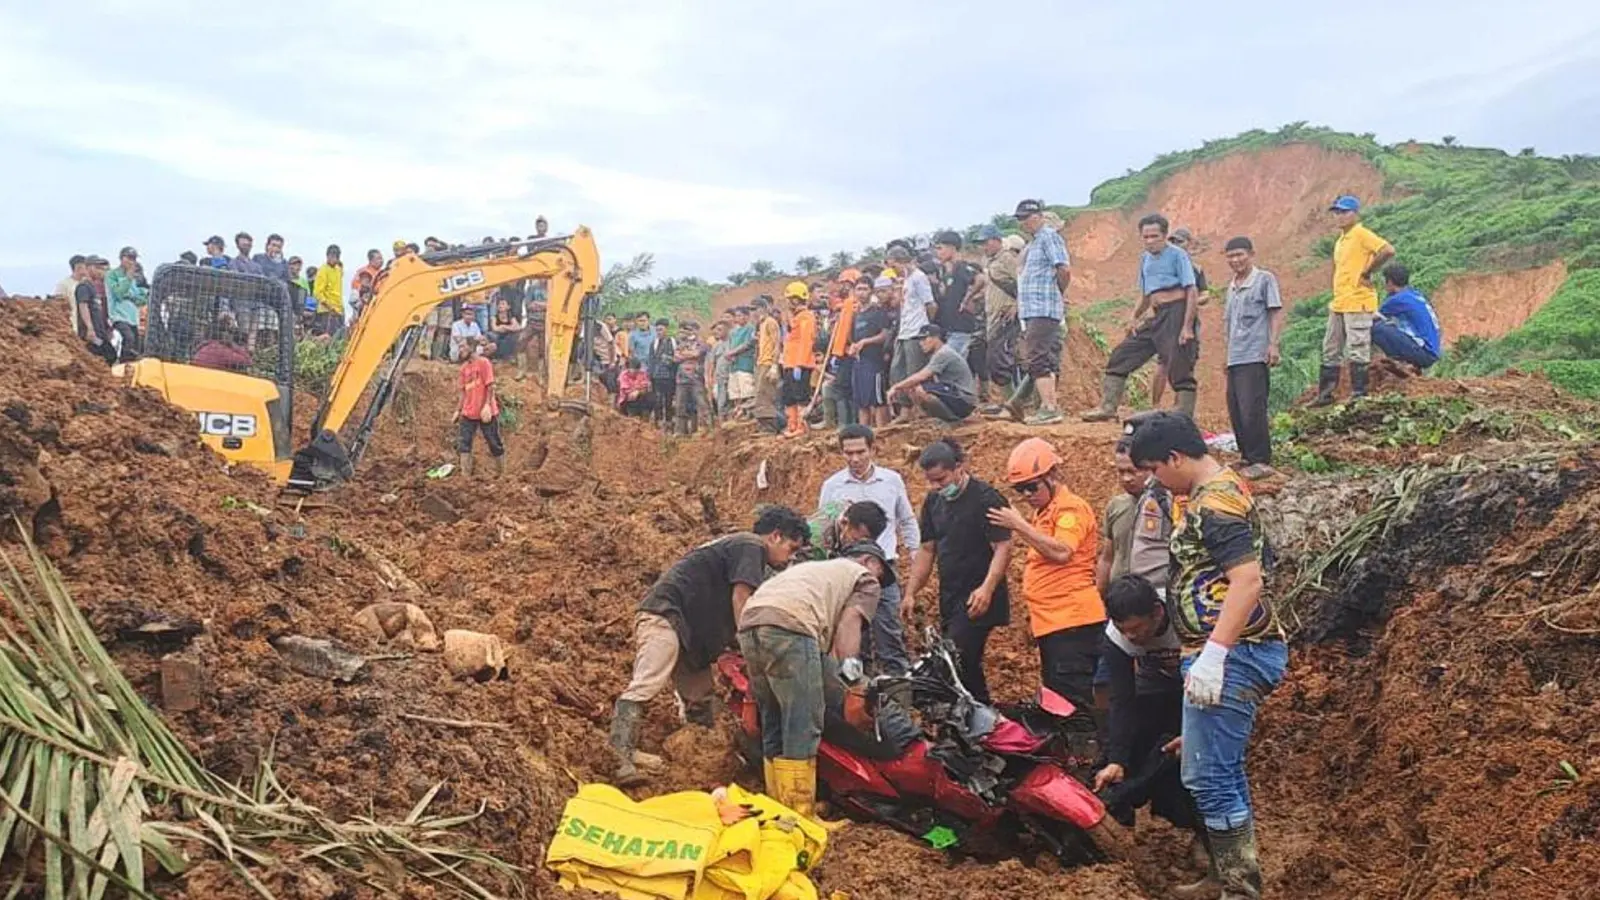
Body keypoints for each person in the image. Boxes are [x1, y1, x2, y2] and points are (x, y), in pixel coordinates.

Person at [1126, 411, 1287, 900]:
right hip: (1224, 651)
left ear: (1175, 457)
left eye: (1155, 468)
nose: (1154, 479)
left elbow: (1248, 579)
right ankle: (1232, 877)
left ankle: (1240, 888)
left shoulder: (1215, 505)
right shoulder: (1210, 493)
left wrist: (1216, 655)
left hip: (1235, 652)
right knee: (1221, 770)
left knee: (1208, 776)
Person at [609, 506, 811, 786]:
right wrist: (751, 645)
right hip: (667, 615)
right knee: (647, 683)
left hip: (689, 631)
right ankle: (619, 755)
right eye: (792, 548)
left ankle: (700, 757)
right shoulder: (751, 546)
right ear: (775, 536)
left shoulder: (738, 548)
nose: (790, 558)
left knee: (700, 697)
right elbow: (742, 598)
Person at [738, 542, 892, 819]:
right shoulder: (865, 578)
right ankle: (800, 816)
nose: (880, 583)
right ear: (869, 562)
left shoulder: (816, 573)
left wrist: (752, 696)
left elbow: (826, 659)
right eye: (882, 572)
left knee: (774, 717)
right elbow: (848, 630)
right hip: (791, 625)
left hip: (751, 622)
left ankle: (779, 808)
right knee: (803, 720)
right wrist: (857, 687)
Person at [987, 438, 1106, 713]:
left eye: (1032, 486)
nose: (1027, 495)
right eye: (1020, 489)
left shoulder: (1070, 509)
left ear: (1053, 475)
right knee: (1059, 700)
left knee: (1075, 704)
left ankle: (1092, 753)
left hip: (1073, 623)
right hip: (1054, 624)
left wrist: (1018, 525)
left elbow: (1062, 552)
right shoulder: (1044, 513)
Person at [903, 438, 1013, 703]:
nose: (937, 487)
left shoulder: (986, 498)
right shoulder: (933, 502)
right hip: (951, 596)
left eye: (941, 480)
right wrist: (910, 592)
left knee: (954, 656)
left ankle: (977, 719)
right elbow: (927, 549)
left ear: (960, 467)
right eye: (931, 481)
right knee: (967, 666)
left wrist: (987, 588)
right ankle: (984, 720)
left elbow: (1003, 547)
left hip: (980, 596)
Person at [1091, 575, 1196, 844]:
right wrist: (1118, 759)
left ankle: (1203, 836)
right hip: (1153, 685)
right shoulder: (1116, 638)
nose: (1131, 637)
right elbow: (1122, 699)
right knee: (1135, 749)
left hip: (1198, 687)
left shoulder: (1189, 616)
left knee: (1189, 763)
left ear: (1157, 612)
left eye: (1137, 628)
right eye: (1122, 628)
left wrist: (1194, 732)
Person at [818, 424, 921, 676]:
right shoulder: (833, 486)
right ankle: (859, 700)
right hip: (847, 574)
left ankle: (898, 693)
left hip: (884, 569)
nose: (854, 459)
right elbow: (823, 529)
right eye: (848, 453)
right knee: (853, 638)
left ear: (873, 449)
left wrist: (916, 555)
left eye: (860, 452)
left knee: (890, 634)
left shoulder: (891, 480)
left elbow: (906, 520)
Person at [1083, 213, 1200, 422]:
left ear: (1164, 236)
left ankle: (1183, 415)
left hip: (1177, 311)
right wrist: (1133, 317)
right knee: (1121, 355)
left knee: (1178, 363)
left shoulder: (1178, 255)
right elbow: (1146, 294)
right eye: (1145, 237)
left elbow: (1191, 290)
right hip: (1157, 314)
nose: (1150, 241)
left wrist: (1187, 326)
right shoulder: (1145, 259)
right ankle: (1108, 407)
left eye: (1154, 236)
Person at [1315, 195, 1395, 406]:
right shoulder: (1341, 240)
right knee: (1330, 347)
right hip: (1340, 301)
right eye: (1337, 213)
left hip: (1358, 300)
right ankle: (1326, 394)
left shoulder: (1360, 234)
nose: (1339, 217)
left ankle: (1359, 393)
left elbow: (1387, 250)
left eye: (1344, 212)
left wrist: (1368, 273)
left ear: (1355, 213)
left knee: (1357, 346)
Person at [1217, 236, 1286, 480]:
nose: (1235, 260)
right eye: (1231, 256)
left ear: (1251, 254)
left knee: (1252, 408)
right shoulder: (1232, 285)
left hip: (1254, 354)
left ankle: (1261, 460)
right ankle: (1246, 456)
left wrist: (1273, 345)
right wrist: (1226, 355)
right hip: (1235, 356)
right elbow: (1230, 325)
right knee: (1235, 408)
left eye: (1240, 255)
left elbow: (1274, 312)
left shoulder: (1264, 279)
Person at [1011, 200, 1072, 425]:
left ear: (1038, 216)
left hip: (1043, 307)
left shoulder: (1048, 237)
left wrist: (1057, 292)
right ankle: (1049, 406)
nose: (1023, 223)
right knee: (1041, 357)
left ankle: (1049, 407)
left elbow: (1064, 268)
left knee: (1035, 357)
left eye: (1026, 218)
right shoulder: (1035, 242)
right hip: (1035, 309)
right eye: (1020, 219)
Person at [975, 227, 1022, 415]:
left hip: (1006, 315)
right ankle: (1008, 401)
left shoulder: (1008, 259)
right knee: (994, 359)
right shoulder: (988, 261)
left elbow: (1022, 283)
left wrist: (1016, 305)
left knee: (1000, 359)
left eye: (986, 242)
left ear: (996, 240)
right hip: (993, 315)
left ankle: (1013, 404)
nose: (984, 247)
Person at [888, 324, 978, 423]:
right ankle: (932, 418)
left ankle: (951, 420)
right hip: (957, 396)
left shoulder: (943, 353)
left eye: (924, 339)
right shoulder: (938, 354)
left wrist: (896, 387)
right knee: (914, 388)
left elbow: (921, 376)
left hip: (964, 398)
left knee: (919, 389)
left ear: (936, 338)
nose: (921, 343)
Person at [886, 247, 936, 423]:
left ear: (902, 261)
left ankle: (922, 411)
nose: (894, 270)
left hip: (916, 331)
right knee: (897, 371)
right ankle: (906, 411)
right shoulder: (906, 280)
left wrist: (927, 327)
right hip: (904, 332)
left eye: (894, 265)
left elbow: (930, 304)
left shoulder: (919, 278)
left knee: (915, 372)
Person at [1095, 439, 1146, 596]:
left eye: (1132, 471)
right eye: (1121, 472)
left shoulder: (1168, 507)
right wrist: (1100, 594)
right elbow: (1107, 557)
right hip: (1119, 598)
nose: (1126, 478)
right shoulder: (1116, 506)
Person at [1372, 263, 1441, 372]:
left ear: (1389, 282)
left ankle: (1399, 362)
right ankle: (1409, 365)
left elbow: (1373, 317)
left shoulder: (1397, 299)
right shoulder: (1414, 294)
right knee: (1389, 326)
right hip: (1431, 351)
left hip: (1424, 352)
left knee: (1376, 328)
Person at [454, 337, 505, 477]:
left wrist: (487, 405)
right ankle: (465, 476)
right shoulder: (464, 369)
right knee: (464, 443)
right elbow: (463, 392)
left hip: (485, 412)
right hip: (468, 413)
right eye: (460, 347)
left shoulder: (484, 363)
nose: (461, 350)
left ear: (471, 347)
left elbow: (490, 386)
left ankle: (501, 475)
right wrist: (458, 410)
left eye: (463, 347)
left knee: (494, 442)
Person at [847, 276, 893, 427]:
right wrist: (852, 346)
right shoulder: (856, 315)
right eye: (858, 289)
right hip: (859, 362)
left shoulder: (878, 312)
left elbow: (884, 335)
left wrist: (866, 342)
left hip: (875, 361)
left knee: (878, 400)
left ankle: (882, 433)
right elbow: (852, 338)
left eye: (865, 289)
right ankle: (863, 433)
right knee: (862, 403)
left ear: (871, 291)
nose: (861, 293)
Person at [931, 231, 981, 360]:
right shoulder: (947, 272)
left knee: (951, 365)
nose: (938, 252)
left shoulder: (962, 267)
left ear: (952, 248)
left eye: (940, 248)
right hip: (948, 328)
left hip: (960, 328)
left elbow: (981, 279)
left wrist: (968, 298)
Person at [780, 282, 817, 436]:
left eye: (789, 299)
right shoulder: (796, 318)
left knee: (800, 396)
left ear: (796, 299)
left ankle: (802, 426)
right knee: (788, 396)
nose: (788, 302)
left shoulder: (806, 317)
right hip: (790, 363)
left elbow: (806, 341)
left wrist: (800, 364)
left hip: (800, 363)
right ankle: (792, 425)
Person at [103, 246, 149, 362]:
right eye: (128, 258)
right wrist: (128, 278)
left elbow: (141, 299)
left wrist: (132, 296)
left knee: (136, 344)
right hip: (118, 316)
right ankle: (122, 365)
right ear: (121, 258)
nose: (131, 261)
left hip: (133, 317)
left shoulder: (133, 279)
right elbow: (118, 293)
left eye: (133, 259)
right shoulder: (112, 274)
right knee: (128, 338)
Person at [673, 320, 710, 435]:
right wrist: (688, 354)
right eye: (688, 329)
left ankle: (703, 429)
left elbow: (697, 354)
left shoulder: (702, 343)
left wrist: (684, 354)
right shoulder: (681, 343)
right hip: (681, 378)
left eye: (692, 329)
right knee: (680, 405)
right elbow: (675, 358)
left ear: (697, 330)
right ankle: (680, 431)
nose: (689, 331)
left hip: (696, 377)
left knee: (701, 404)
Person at [76, 256, 114, 363]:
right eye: (98, 268)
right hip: (91, 333)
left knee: (110, 356)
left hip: (100, 331)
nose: (100, 272)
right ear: (90, 268)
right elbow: (83, 306)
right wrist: (89, 328)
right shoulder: (83, 286)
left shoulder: (94, 287)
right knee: (103, 357)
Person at [754, 297, 784, 432]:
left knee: (765, 395)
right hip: (762, 362)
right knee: (760, 395)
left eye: (756, 309)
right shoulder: (762, 324)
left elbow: (777, 343)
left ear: (764, 308)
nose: (754, 312)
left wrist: (774, 365)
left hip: (768, 362)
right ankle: (764, 426)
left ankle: (770, 428)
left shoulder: (771, 322)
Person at [647, 318, 678, 426]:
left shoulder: (673, 342)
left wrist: (668, 360)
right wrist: (649, 377)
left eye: (661, 329)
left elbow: (677, 359)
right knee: (657, 399)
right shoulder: (654, 343)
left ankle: (669, 421)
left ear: (666, 329)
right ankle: (658, 420)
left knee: (669, 399)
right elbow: (651, 360)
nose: (659, 332)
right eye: (657, 330)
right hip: (656, 376)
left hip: (670, 376)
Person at [311, 245, 345, 337]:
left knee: (338, 339)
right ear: (327, 256)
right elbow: (317, 292)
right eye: (331, 256)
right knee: (326, 339)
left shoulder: (338, 270)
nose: (334, 258)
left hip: (338, 310)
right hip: (326, 311)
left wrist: (340, 308)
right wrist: (329, 307)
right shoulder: (323, 270)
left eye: (336, 256)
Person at [487, 295, 525, 364]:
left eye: (503, 304)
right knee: (493, 336)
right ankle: (497, 357)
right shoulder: (494, 317)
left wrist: (504, 327)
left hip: (508, 336)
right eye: (499, 304)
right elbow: (495, 328)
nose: (500, 306)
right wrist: (510, 328)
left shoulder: (511, 317)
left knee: (514, 336)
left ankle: (509, 357)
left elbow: (518, 328)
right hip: (497, 336)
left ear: (508, 307)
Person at [56, 255, 87, 336]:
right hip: (73, 323)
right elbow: (59, 305)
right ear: (78, 268)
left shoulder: (88, 284)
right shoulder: (64, 284)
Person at [708, 320, 732, 421]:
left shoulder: (732, 342)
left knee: (733, 401)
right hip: (720, 378)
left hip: (732, 376)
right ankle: (722, 424)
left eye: (720, 329)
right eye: (717, 330)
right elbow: (712, 363)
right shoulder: (716, 345)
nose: (717, 332)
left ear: (727, 330)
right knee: (721, 402)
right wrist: (710, 377)